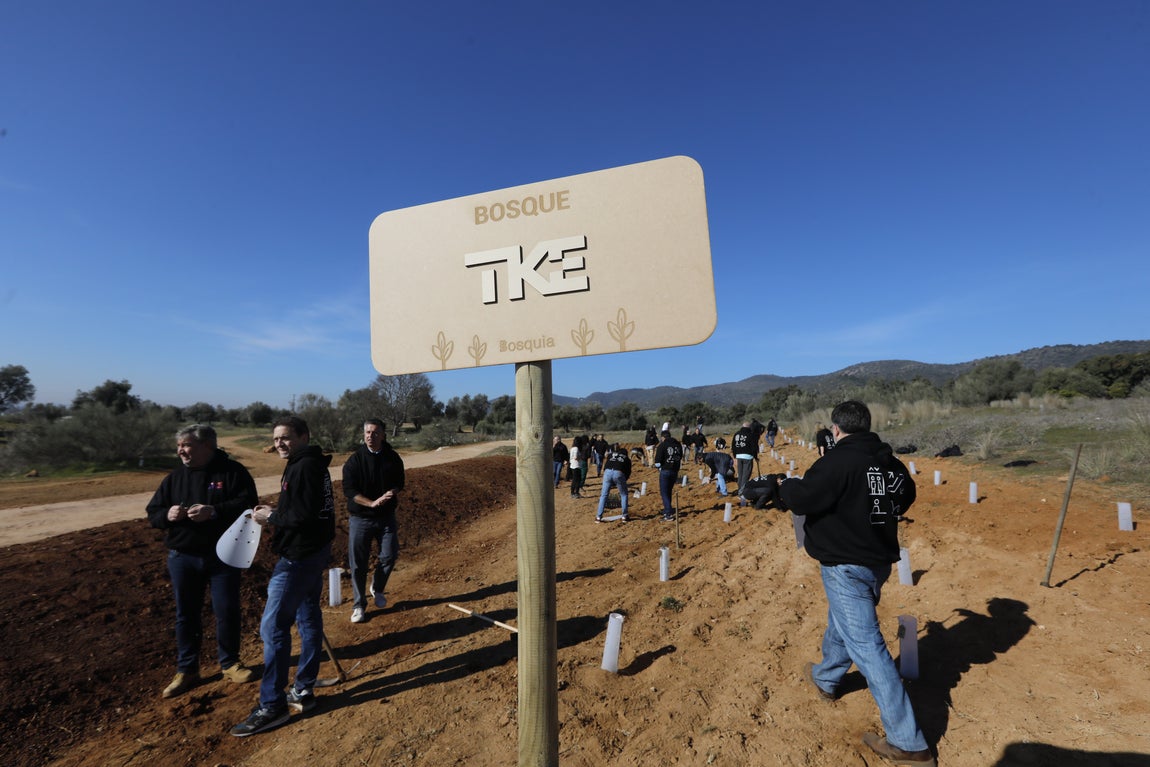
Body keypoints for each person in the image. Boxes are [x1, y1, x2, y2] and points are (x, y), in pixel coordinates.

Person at [777, 401, 934, 766]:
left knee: (868, 647)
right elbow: (905, 495)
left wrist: (784, 487)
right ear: (867, 426)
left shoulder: (836, 462)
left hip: (845, 564)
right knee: (844, 622)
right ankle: (827, 677)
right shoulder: (889, 464)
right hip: (877, 562)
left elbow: (804, 498)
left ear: (836, 430)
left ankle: (909, 743)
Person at [231, 416, 335, 737]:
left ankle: (272, 705)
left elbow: (301, 517)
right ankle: (303, 690)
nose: (279, 443)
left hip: (298, 558)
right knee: (307, 618)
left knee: (273, 626)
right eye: (276, 439)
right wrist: (277, 508)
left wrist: (270, 516)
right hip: (313, 551)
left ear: (303, 436)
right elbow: (306, 507)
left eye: (286, 437)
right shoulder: (310, 463)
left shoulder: (303, 467)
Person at [146, 424, 259, 699]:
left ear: (206, 445)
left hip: (224, 557)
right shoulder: (174, 478)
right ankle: (187, 670)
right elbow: (153, 512)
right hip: (182, 557)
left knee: (226, 610)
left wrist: (214, 511)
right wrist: (168, 515)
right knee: (186, 615)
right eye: (179, 446)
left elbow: (250, 505)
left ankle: (230, 663)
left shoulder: (233, 473)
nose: (181, 451)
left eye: (186, 445)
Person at [342, 418, 405, 624]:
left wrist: (391, 492)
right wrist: (370, 503)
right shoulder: (354, 461)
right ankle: (359, 605)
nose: (371, 436)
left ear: (383, 435)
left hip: (386, 517)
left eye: (375, 433)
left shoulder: (393, 458)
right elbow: (350, 491)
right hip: (361, 519)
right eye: (368, 432)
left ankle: (377, 587)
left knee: (389, 555)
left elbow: (399, 482)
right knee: (358, 564)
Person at [595, 443, 632, 522]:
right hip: (618, 473)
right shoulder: (627, 459)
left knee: (604, 495)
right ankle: (625, 516)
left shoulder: (611, 455)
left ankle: (598, 517)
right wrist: (622, 481)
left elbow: (605, 467)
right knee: (624, 494)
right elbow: (628, 473)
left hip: (607, 472)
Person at [653, 429, 683, 521]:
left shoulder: (662, 445)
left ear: (663, 437)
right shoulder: (678, 445)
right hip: (675, 471)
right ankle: (667, 509)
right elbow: (680, 457)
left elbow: (657, 461)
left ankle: (668, 514)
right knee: (669, 491)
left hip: (665, 471)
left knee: (664, 492)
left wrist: (660, 468)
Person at [731, 420, 761, 498]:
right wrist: (755, 457)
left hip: (738, 456)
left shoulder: (737, 434)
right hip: (747, 457)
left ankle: (740, 490)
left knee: (740, 475)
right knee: (746, 475)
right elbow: (754, 447)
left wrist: (735, 457)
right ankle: (741, 493)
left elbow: (733, 446)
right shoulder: (750, 434)